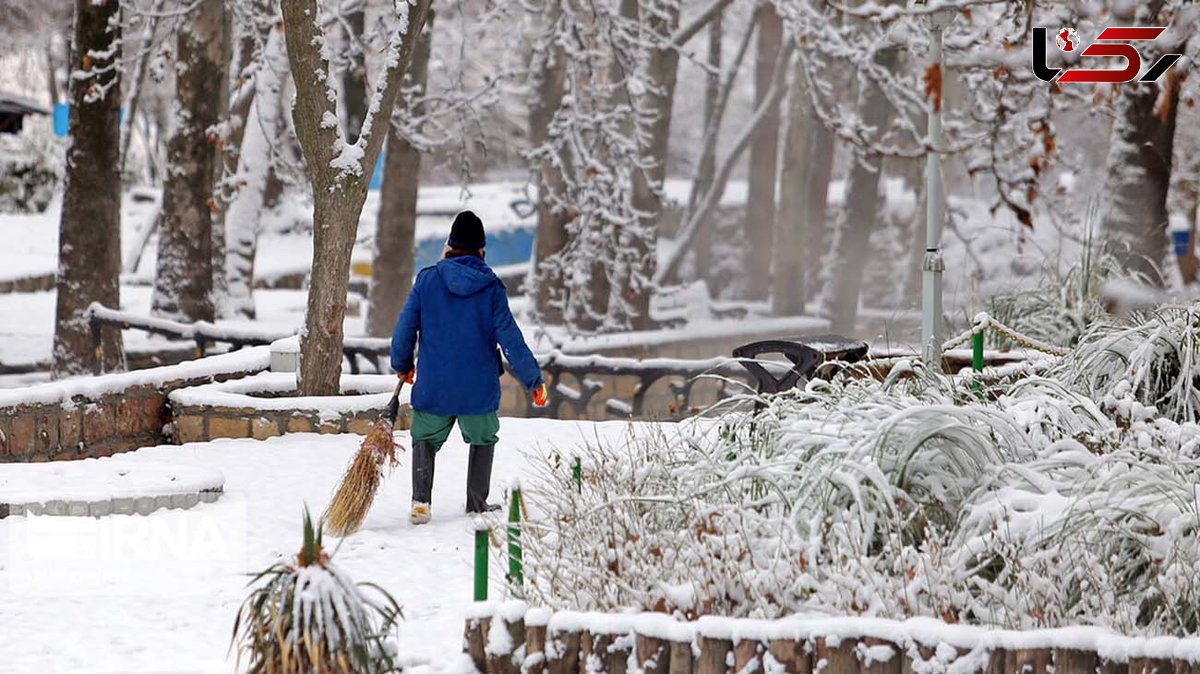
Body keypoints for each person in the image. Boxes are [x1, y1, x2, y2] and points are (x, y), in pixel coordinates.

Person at [390, 210, 549, 525]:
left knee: (425, 437)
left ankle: (421, 501)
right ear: (482, 250)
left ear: (450, 245)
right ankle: (476, 502)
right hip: (477, 390)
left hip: (434, 386)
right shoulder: (491, 288)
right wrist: (533, 381)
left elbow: (405, 327)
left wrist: (402, 364)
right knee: (482, 437)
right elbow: (511, 341)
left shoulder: (427, 280)